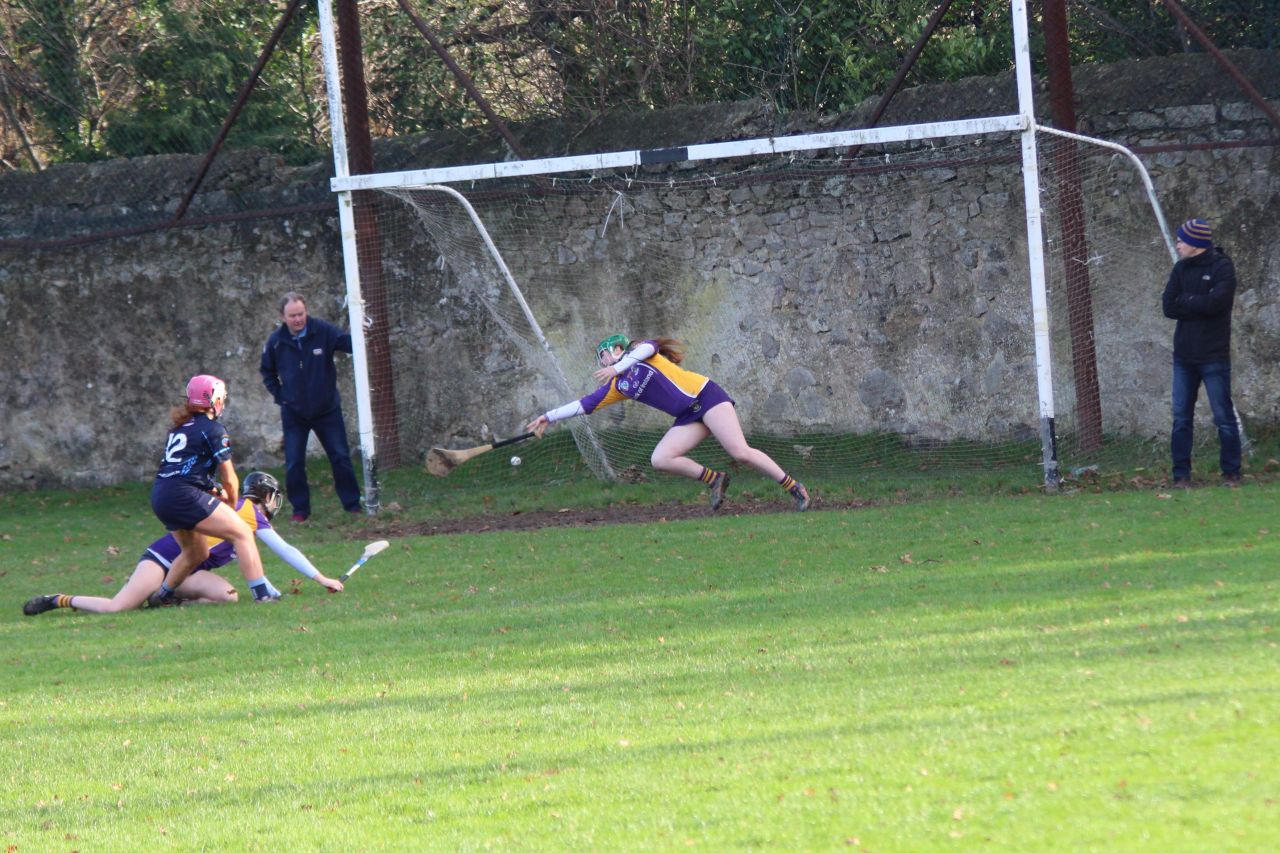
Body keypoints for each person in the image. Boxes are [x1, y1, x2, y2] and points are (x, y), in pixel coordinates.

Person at [525, 334, 810, 511]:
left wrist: (616, 366)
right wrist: (548, 417)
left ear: (616, 349)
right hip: (688, 416)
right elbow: (583, 405)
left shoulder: (642, 352)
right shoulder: (619, 385)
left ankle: (793, 486)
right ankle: (716, 479)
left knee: (740, 452)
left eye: (604, 357)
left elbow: (645, 348)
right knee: (660, 458)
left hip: (707, 397)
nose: (602, 364)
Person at [23, 472, 345, 615]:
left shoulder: (243, 516)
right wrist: (321, 578)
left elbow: (255, 568)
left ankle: (168, 599)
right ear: (265, 497)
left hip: (191, 569)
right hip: (164, 558)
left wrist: (270, 590)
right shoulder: (249, 512)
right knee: (117, 608)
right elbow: (284, 550)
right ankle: (58, 600)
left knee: (228, 597)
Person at [146, 374, 268, 606]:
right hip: (183, 494)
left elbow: (185, 469)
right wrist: (231, 505)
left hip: (162, 494)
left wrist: (213, 489)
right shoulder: (212, 429)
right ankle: (262, 595)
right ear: (215, 400)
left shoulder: (179, 429)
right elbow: (230, 477)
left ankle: (161, 596)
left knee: (196, 553)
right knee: (241, 531)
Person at [259, 291, 362, 521]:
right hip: (294, 413)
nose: (298, 319)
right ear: (283, 317)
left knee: (340, 457)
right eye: (292, 316)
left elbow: (349, 344)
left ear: (306, 312)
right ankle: (300, 511)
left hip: (327, 410)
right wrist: (282, 397)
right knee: (294, 463)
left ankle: (353, 505)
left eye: (301, 314)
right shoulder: (276, 341)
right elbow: (267, 372)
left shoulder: (322, 330)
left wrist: (363, 329)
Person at [1161, 217, 1242, 488]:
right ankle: (1180, 475)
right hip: (1184, 357)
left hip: (1214, 356)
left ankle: (1231, 472)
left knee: (1223, 417)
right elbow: (1169, 306)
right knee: (1181, 418)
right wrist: (1198, 302)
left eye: (1182, 240)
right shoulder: (1180, 270)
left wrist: (1189, 301)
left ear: (1195, 244)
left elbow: (1218, 303)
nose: (1178, 245)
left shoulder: (1222, 267)